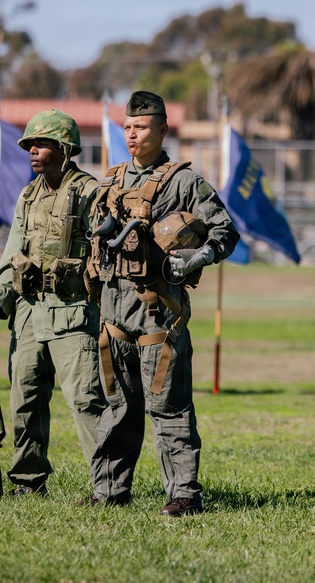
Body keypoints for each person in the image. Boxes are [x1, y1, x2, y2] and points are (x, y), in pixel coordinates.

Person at [82, 91, 239, 516]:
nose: (133, 135)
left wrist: (198, 256)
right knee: (118, 408)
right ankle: (110, 490)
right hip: (113, 322)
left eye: (142, 127)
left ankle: (184, 494)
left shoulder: (185, 182)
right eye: (128, 128)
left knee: (168, 409)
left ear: (163, 129)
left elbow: (224, 231)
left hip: (158, 319)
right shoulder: (110, 181)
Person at [0, 109, 107, 497]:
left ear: (64, 149)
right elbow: (13, 253)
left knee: (85, 401)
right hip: (29, 313)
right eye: (30, 144)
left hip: (74, 312)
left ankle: (107, 485)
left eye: (42, 144)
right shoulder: (28, 196)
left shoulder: (89, 192)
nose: (32, 151)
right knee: (24, 396)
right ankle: (29, 481)